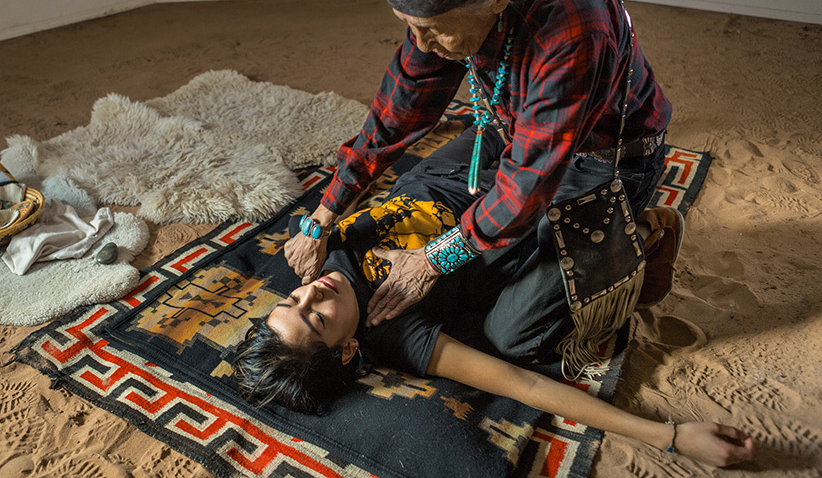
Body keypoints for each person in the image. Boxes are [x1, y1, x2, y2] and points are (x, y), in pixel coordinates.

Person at [284, 0, 684, 378]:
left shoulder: (573, 20)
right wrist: (326, 212)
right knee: (439, 194)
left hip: (598, 157)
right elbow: (398, 111)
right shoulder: (449, 14)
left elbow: (528, 182)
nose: (422, 43)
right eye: (410, 25)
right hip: (512, 130)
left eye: (433, 29)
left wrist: (433, 261)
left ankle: (642, 231)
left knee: (514, 337)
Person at [232, 149, 754, 469]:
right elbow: (522, 385)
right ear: (349, 351)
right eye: (317, 317)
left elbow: (357, 175)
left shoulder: (310, 259)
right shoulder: (392, 331)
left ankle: (618, 235)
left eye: (293, 299)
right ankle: (641, 231)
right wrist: (670, 436)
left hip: (468, 162)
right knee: (512, 342)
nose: (313, 292)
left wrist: (320, 221)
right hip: (515, 210)